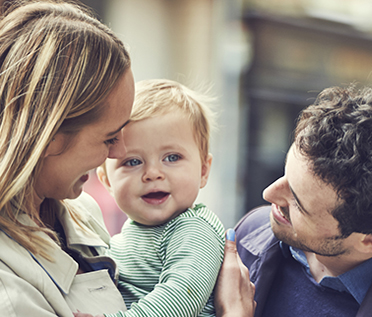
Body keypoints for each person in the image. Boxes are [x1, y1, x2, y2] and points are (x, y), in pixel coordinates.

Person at [232, 85, 372, 316]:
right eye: (285, 174)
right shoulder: (249, 233)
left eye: (298, 203)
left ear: (371, 242)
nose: (268, 194)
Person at [0, 0, 134, 316]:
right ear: (46, 136)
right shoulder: (8, 288)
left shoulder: (81, 212)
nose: (120, 153)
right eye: (109, 137)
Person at [82, 79, 225, 317]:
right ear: (107, 181)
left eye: (172, 157)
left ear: (203, 170)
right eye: (133, 162)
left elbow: (180, 298)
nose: (152, 174)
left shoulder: (195, 229)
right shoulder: (121, 238)